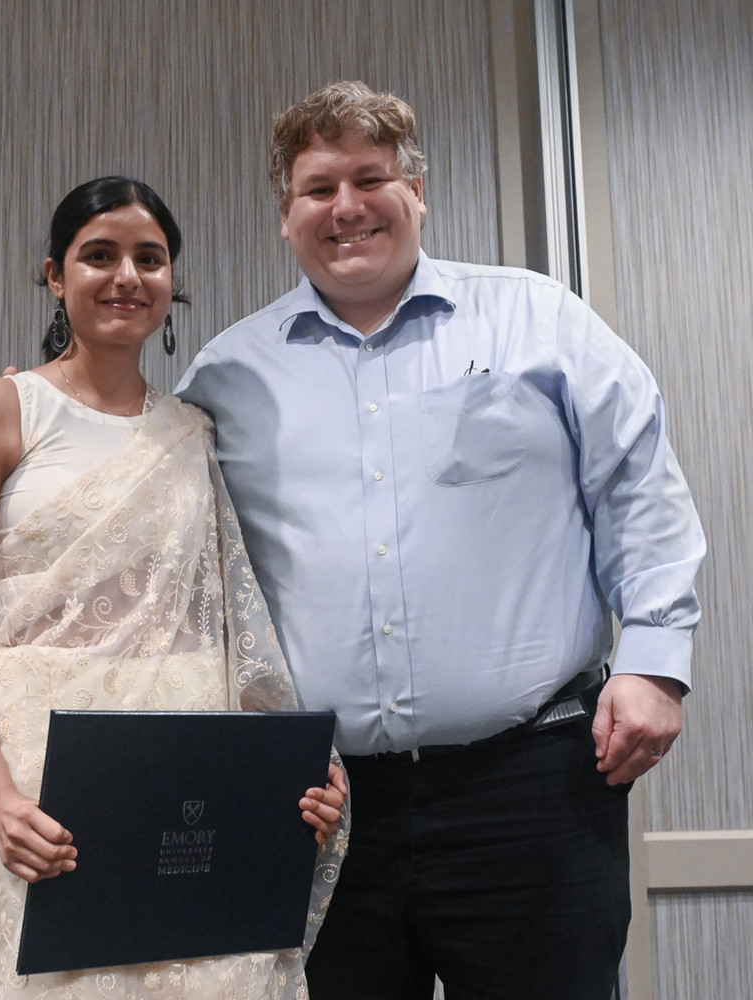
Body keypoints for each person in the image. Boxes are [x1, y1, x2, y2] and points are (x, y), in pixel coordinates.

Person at [175, 82, 705, 1000]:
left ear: (417, 191)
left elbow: (639, 484)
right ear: (285, 215)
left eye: (370, 177)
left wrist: (656, 663)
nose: (345, 207)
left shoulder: (540, 321)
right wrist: (31, 409)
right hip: (317, 806)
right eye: (317, 188)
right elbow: (147, 506)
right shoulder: (227, 377)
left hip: (530, 787)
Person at [0, 176, 348, 1000]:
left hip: (190, 773)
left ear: (171, 283)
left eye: (150, 259)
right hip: (46, 786)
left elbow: (231, 621)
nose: (126, 277)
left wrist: (288, 776)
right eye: (99, 256)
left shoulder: (193, 431)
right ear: (54, 275)